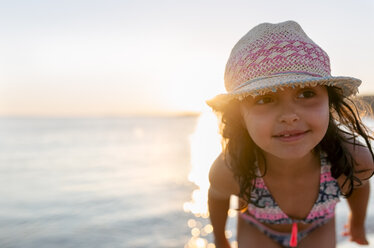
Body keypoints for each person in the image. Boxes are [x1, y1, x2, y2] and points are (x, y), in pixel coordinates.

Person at [206, 21, 374, 247]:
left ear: (329, 102)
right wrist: (220, 240)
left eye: (306, 93)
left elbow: (360, 186)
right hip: (259, 228)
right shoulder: (230, 168)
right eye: (264, 99)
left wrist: (357, 222)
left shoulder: (355, 159)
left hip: (318, 226)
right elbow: (217, 197)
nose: (289, 116)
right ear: (240, 117)